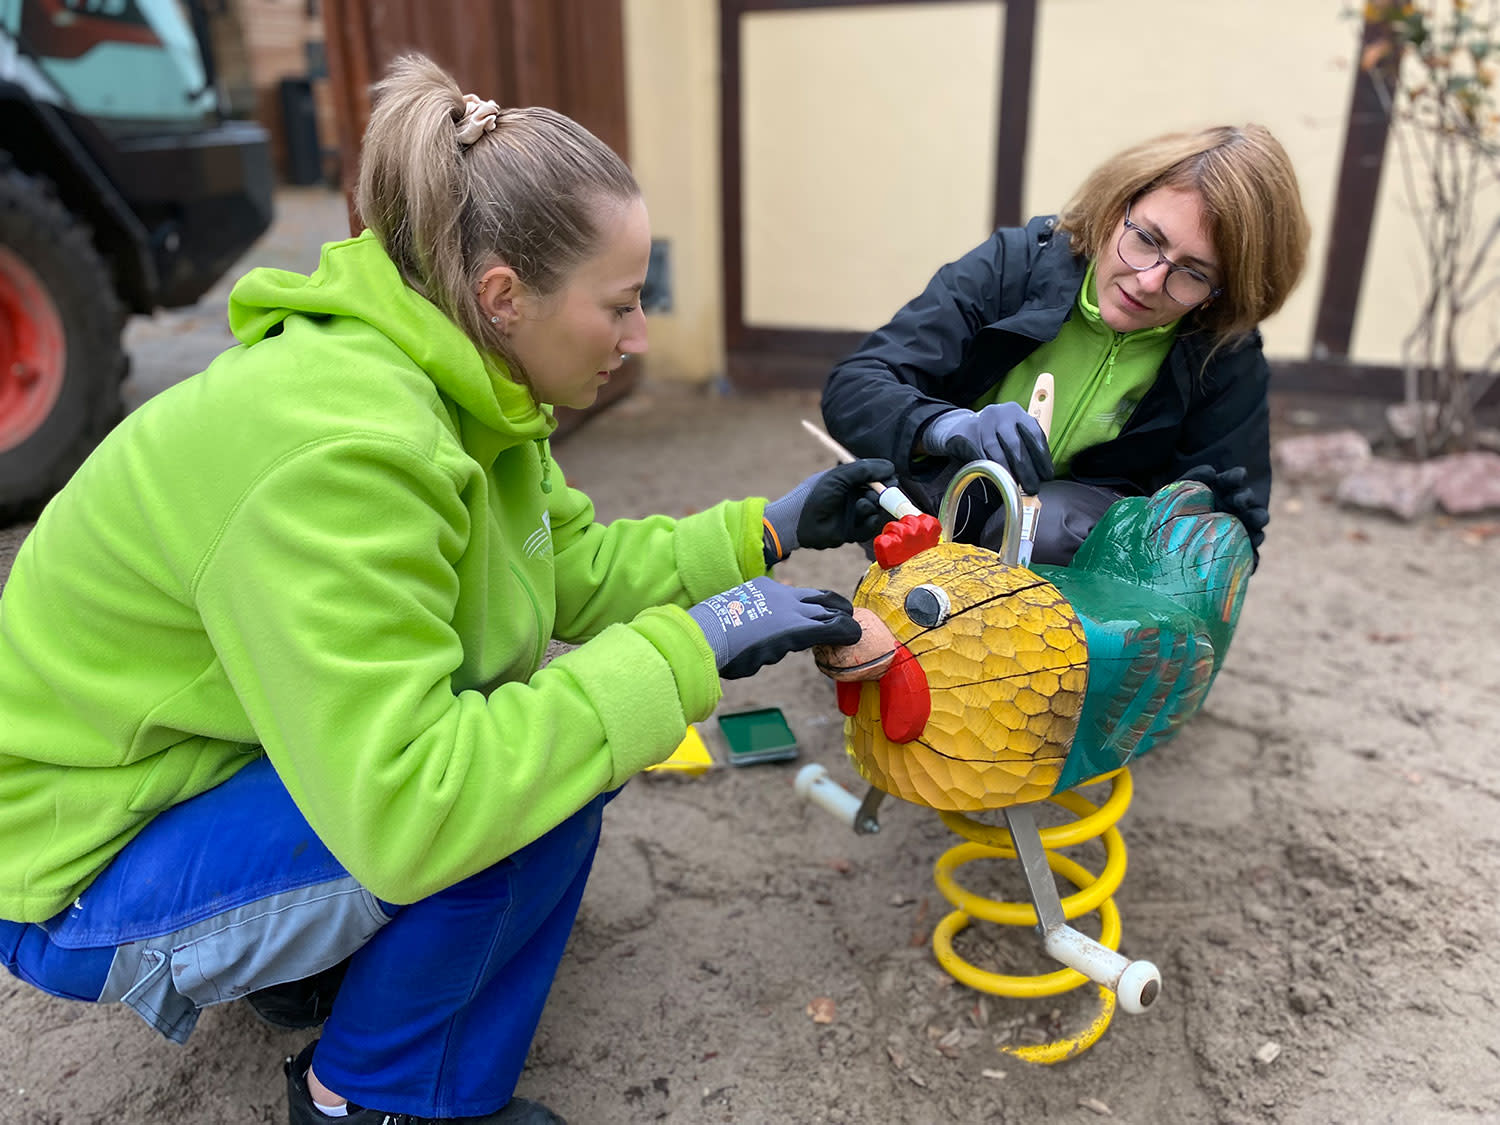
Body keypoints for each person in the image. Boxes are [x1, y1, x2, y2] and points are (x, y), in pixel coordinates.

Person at [0, 55, 896, 1125]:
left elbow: (572, 571)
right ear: (504, 295)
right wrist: (682, 654)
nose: (639, 337)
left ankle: (308, 968)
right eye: (619, 305)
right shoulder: (344, 451)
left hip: (193, 768)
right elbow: (416, 805)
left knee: (550, 741)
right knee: (533, 789)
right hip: (80, 865)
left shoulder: (469, 381)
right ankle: (376, 1100)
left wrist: (773, 528)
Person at [821, 124, 1311, 567]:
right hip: (940, 499)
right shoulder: (1017, 264)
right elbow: (856, 386)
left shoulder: (1223, 351)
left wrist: (1207, 527)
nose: (1147, 281)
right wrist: (947, 427)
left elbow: (1231, 530)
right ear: (1116, 206)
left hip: (1076, 542)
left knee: (1048, 527)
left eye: (1193, 274)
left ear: (1222, 291)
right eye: (1145, 238)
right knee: (959, 509)